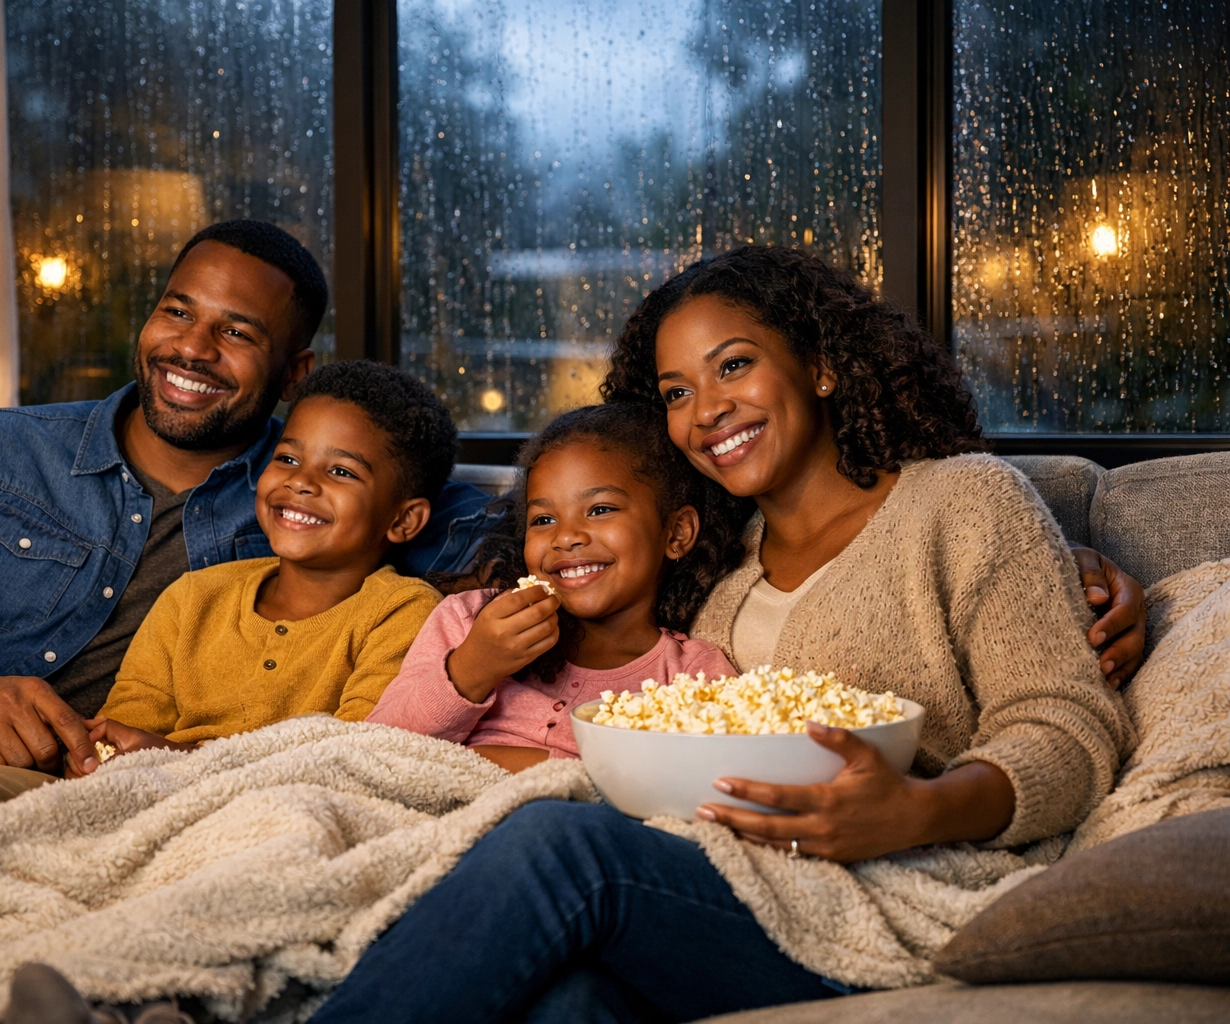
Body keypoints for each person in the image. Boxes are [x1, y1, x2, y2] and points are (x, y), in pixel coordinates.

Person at [307, 245, 1140, 1023]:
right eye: (675, 393)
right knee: (568, 1002)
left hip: (903, 886)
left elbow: (1065, 727)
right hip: (722, 888)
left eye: (733, 365)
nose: (706, 411)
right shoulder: (708, 571)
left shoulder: (962, 503)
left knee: (560, 848)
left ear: (819, 366)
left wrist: (916, 810)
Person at [0, 222, 493, 1023]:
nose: (192, 347)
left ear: (293, 372)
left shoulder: (301, 502)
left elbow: (496, 528)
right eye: (177, 312)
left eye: (237, 332)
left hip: (36, 771)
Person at [85, 359, 450, 761]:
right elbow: (124, 728)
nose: (300, 482)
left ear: (403, 519)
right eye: (288, 459)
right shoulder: (192, 597)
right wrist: (103, 752)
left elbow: (354, 754)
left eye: (341, 471)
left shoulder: (402, 612)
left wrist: (177, 754)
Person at [369, 403, 736, 773]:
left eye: (600, 509)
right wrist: (473, 667)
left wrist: (534, 765)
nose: (566, 537)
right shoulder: (467, 619)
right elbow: (376, 746)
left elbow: (704, 785)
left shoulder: (694, 677)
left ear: (676, 532)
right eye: (543, 519)